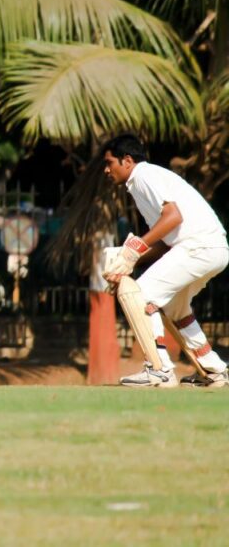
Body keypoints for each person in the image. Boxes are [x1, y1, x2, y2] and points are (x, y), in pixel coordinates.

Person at [101, 133, 229, 387]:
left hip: (197, 247)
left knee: (140, 295)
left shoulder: (144, 176)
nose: (106, 170)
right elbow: (163, 239)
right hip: (213, 249)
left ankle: (159, 369)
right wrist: (128, 260)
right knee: (176, 308)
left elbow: (173, 216)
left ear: (127, 160)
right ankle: (215, 369)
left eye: (109, 163)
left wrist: (134, 249)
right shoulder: (143, 181)